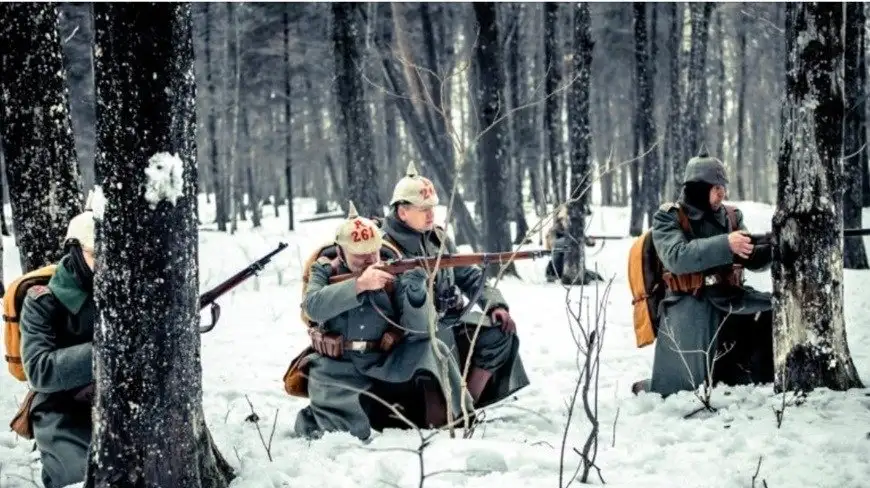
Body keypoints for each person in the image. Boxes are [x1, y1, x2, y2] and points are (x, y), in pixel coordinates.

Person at [294, 202, 474, 440]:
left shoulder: (392, 266)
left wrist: (416, 293)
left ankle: (454, 417)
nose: (369, 260)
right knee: (341, 436)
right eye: (359, 255)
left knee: (433, 349)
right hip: (339, 365)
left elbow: (419, 330)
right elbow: (313, 307)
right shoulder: (324, 270)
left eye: (373, 252)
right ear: (340, 252)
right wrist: (359, 285)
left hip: (385, 360)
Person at [377, 162, 530, 408]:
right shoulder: (383, 248)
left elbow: (468, 275)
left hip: (447, 321)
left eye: (432, 208)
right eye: (422, 208)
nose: (430, 214)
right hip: (408, 337)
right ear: (402, 212)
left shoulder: (437, 238)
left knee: (499, 334)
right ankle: (452, 411)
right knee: (441, 344)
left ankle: (468, 404)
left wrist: (494, 305)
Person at [632, 153, 774, 397]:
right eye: (717, 189)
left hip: (730, 295)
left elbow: (751, 259)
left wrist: (773, 247)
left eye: (723, 188)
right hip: (688, 301)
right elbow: (677, 257)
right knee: (682, 387)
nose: (723, 195)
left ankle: (748, 374)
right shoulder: (669, 217)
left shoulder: (731, 216)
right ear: (699, 189)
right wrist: (726, 244)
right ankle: (660, 383)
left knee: (772, 307)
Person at [19, 207, 97, 488]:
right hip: (60, 407)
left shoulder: (120, 290)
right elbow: (39, 371)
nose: (105, 265)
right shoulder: (41, 301)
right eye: (95, 255)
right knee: (81, 476)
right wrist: (105, 352)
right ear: (75, 251)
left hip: (115, 399)